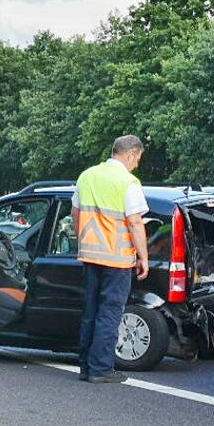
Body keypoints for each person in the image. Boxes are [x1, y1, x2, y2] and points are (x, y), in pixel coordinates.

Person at [72, 135, 150, 384]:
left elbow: (76, 213)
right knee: (110, 313)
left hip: (90, 255)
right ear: (130, 154)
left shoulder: (86, 176)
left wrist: (83, 241)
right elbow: (135, 222)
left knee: (91, 311)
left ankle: (86, 367)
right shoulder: (128, 182)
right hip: (117, 259)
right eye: (137, 158)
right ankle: (101, 369)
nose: (137, 164)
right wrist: (143, 257)